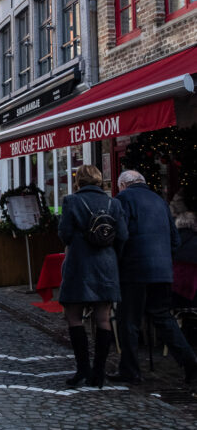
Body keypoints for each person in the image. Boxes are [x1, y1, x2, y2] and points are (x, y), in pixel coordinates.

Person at [113, 170, 197, 385]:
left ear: (123, 185)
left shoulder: (122, 199)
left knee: (128, 322)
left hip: (134, 270)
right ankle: (190, 362)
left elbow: (121, 234)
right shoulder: (159, 200)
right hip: (162, 271)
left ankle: (131, 371)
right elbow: (174, 239)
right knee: (163, 318)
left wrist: (119, 259)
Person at [58, 165, 128, 388]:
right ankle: (98, 372)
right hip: (106, 265)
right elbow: (124, 235)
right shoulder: (113, 203)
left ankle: (83, 369)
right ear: (99, 180)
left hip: (79, 264)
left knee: (74, 316)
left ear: (79, 180)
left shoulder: (71, 201)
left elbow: (64, 234)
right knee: (104, 318)